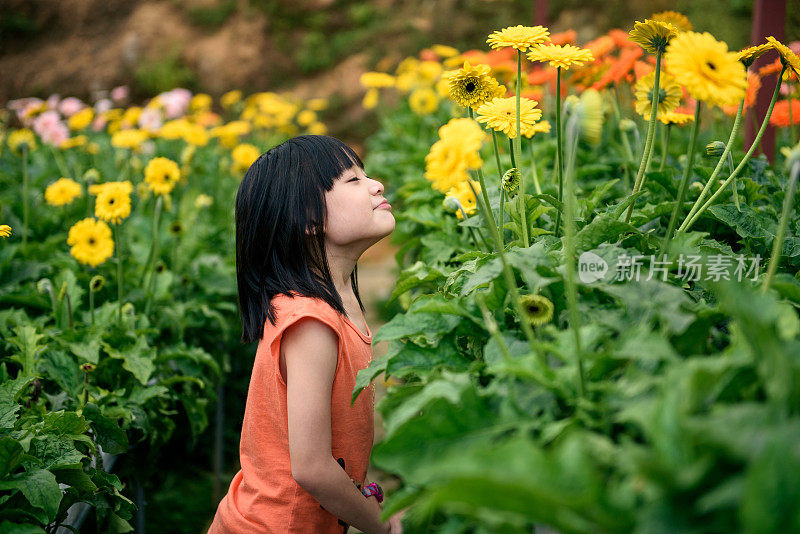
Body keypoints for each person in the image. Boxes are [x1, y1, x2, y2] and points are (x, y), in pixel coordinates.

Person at [208, 135, 403, 533]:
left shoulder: (332, 304)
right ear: (309, 218)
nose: (376, 184)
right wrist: (382, 525)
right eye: (352, 180)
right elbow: (312, 468)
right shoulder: (311, 321)